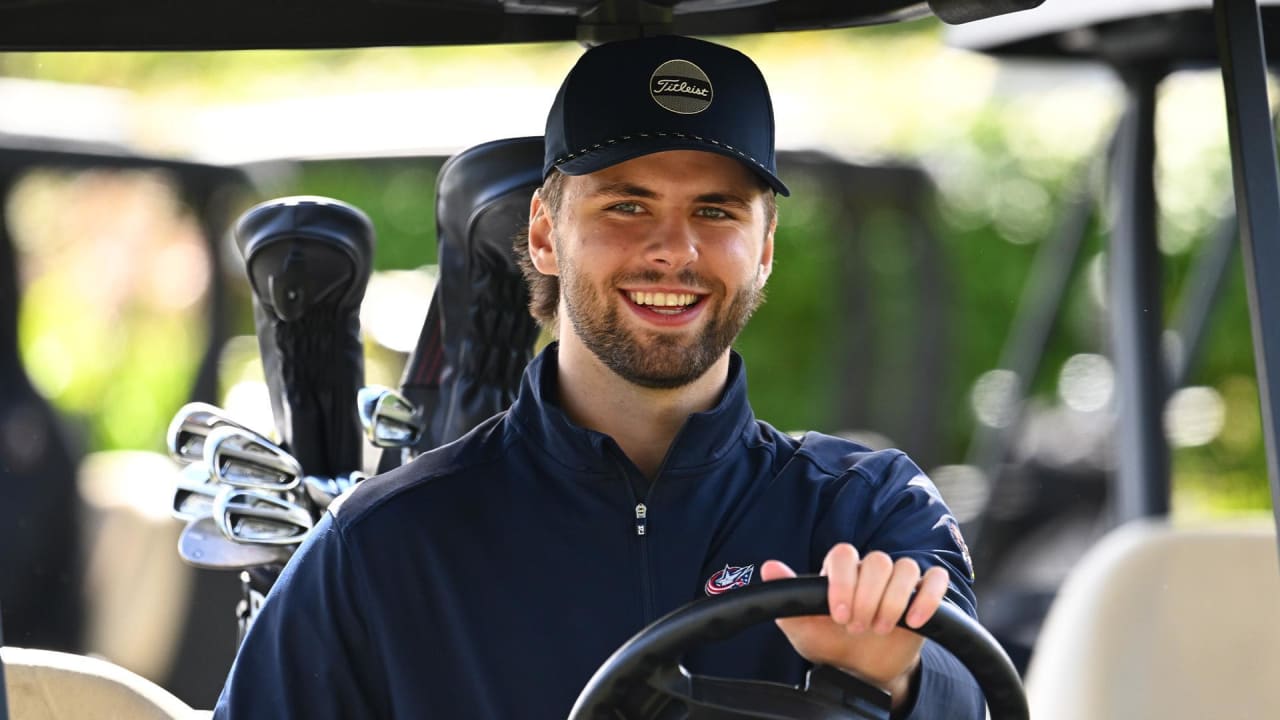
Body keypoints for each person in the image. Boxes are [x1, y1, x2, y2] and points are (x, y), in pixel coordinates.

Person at [213, 35, 983, 719]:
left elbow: (977, 697)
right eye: (628, 207)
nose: (674, 250)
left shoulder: (867, 510)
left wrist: (897, 679)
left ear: (766, 247)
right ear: (545, 234)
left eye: (716, 212)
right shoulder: (383, 543)